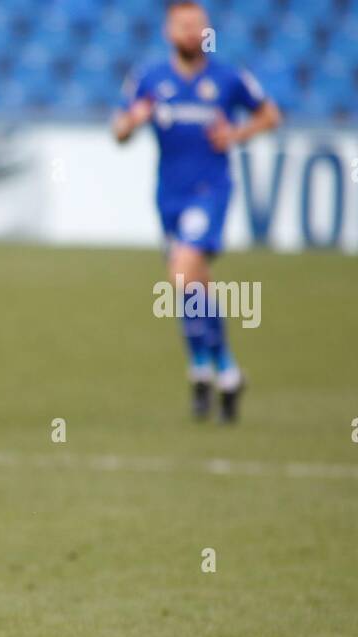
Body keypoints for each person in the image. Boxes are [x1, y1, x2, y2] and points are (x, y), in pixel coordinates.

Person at [114, 0, 281, 422]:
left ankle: (208, 370)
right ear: (170, 32)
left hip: (211, 191)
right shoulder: (150, 78)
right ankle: (219, 370)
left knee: (182, 271)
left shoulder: (227, 77)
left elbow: (270, 115)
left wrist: (237, 134)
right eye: (183, 25)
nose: (191, 32)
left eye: (197, 25)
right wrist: (133, 121)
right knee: (194, 288)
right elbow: (118, 131)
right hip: (168, 195)